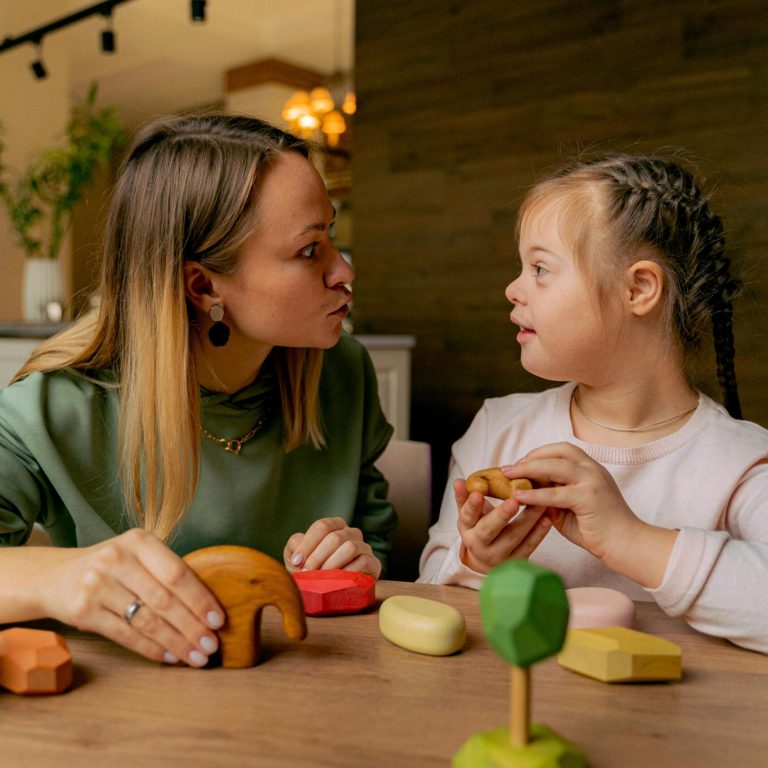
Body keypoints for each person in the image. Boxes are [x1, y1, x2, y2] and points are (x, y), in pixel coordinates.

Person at [0, 114, 395, 667]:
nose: (344, 271)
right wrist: (62, 575)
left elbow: (378, 547)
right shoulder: (51, 408)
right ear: (203, 285)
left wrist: (357, 562)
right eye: (310, 251)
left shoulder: (342, 371)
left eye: (331, 235)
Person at [418, 153, 768, 654]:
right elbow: (427, 594)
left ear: (638, 288)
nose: (513, 289)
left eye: (540, 268)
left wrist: (629, 538)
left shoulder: (742, 463)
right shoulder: (501, 428)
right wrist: (475, 564)